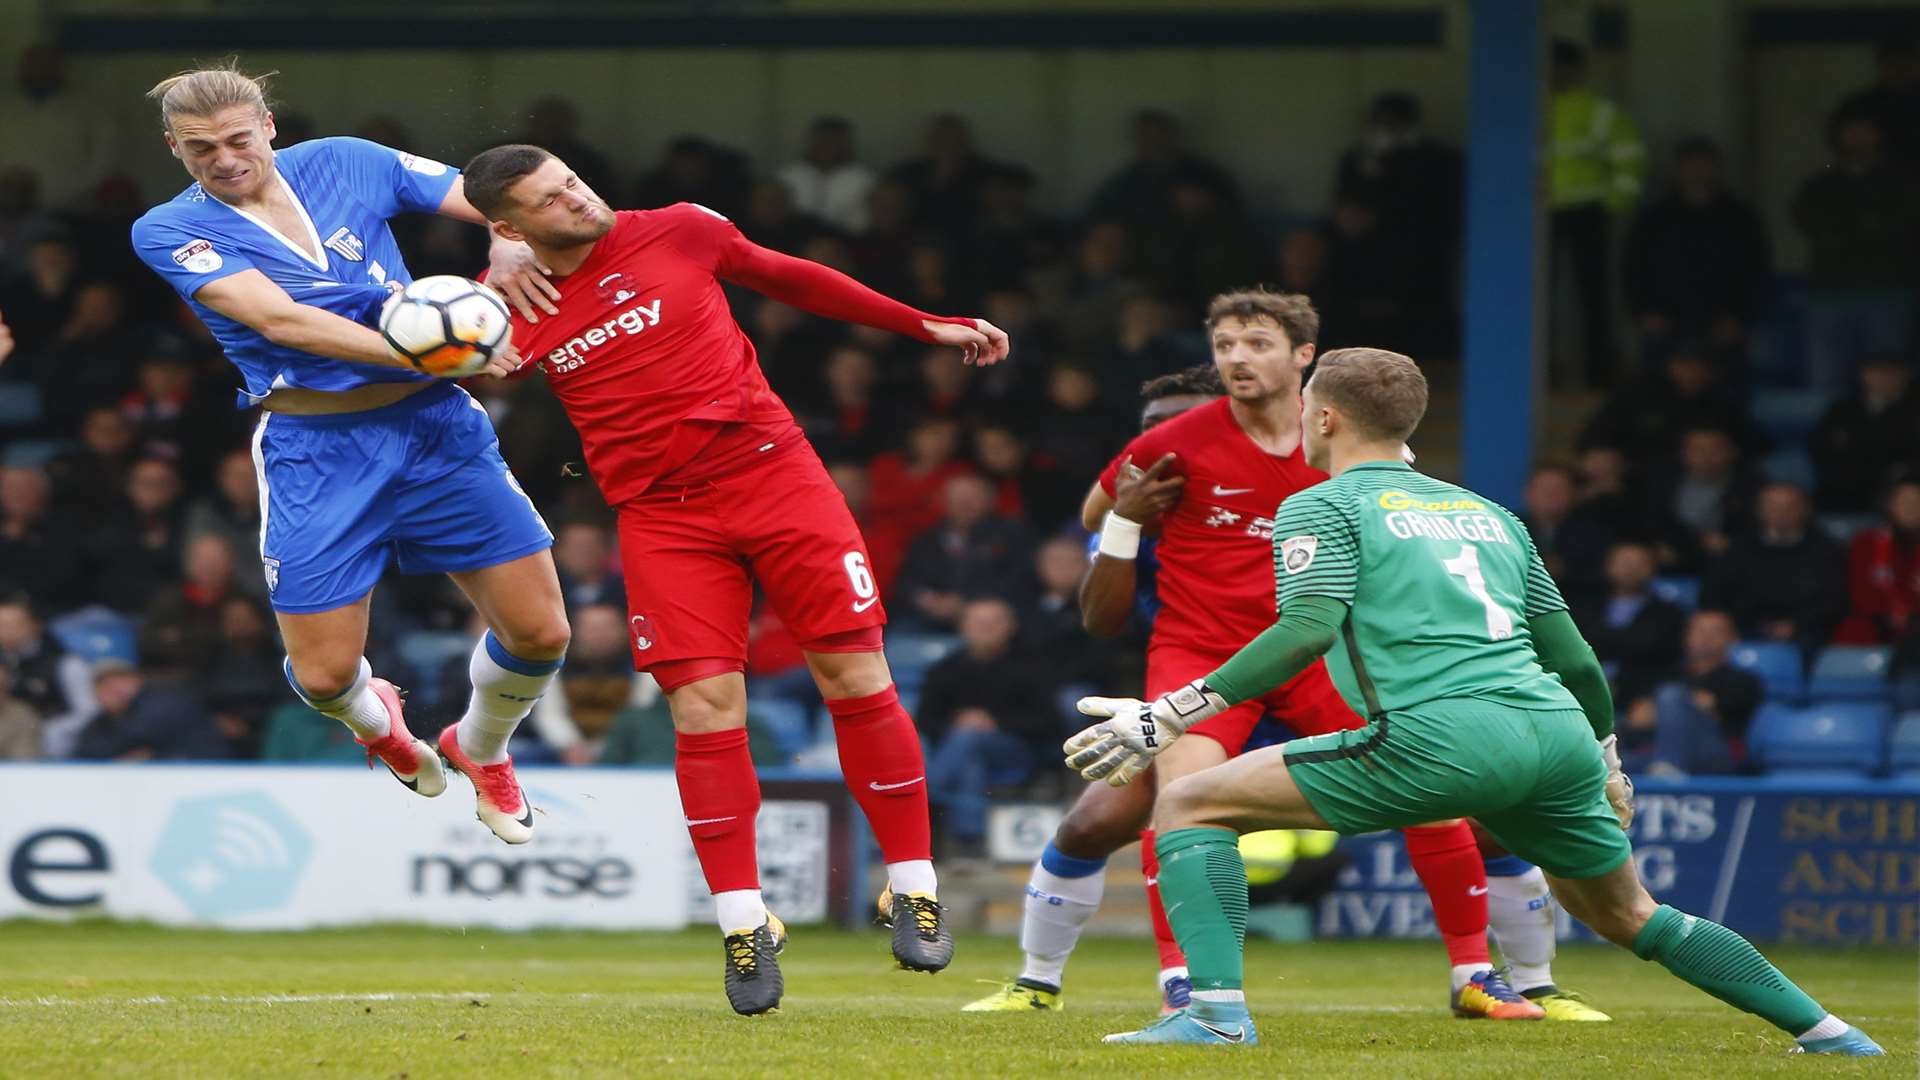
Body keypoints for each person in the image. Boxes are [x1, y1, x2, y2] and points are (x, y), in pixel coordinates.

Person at [1066, 347, 1882, 1055]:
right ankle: (1830, 1033)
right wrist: (1604, 758)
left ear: (1321, 419)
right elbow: (1575, 659)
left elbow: (1307, 629)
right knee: (1633, 912)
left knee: (1191, 802)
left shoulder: (1319, 504)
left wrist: (1172, 711)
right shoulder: (1490, 514)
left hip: (1441, 736)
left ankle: (1212, 1017)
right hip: (1555, 735)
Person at [458, 142, 1009, 1015]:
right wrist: (470, 347)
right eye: (551, 201)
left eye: (573, 181)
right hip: (662, 518)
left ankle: (913, 886)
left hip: (776, 475)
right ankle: (745, 924)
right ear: (509, 228)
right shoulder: (504, 309)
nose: (578, 199)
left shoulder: (679, 230)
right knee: (706, 712)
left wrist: (921, 323)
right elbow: (450, 376)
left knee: (855, 675)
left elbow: (794, 278)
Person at [967, 292, 1564, 1022]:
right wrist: (1130, 517)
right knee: (1172, 803)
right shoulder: (1176, 442)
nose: (1238, 359)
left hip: (1320, 655)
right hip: (1203, 651)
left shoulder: (1349, 446)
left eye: (1256, 343)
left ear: (1303, 356)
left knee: (1437, 796)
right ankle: (1180, 982)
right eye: (1225, 345)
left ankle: (1479, 974)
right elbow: (1097, 515)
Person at [127, 63, 570, 843]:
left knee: (543, 636)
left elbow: (492, 194)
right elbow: (281, 322)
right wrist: (438, 352)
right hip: (316, 449)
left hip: (438, 430)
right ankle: (380, 726)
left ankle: (481, 747)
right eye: (200, 150)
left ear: (268, 125)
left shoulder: (346, 160)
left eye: (237, 139)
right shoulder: (168, 229)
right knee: (328, 678)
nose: (224, 159)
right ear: (173, 148)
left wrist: (507, 241)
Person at [1791, 108, 1919, 390]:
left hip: (1888, 292)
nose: (1858, 138)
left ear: (1879, 134)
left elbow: (1903, 229)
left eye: (1865, 130)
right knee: (1827, 381)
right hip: (1830, 292)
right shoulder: (1820, 183)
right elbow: (1807, 222)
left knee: (1889, 380)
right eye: (1851, 130)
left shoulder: (1903, 182)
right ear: (1838, 136)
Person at [919, 597, 1055, 854]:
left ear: (1010, 627)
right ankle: (969, 844)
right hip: (962, 755)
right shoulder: (943, 669)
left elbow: (1048, 723)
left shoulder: (1033, 668)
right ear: (963, 626)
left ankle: (926, 793)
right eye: (978, 623)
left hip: (1017, 753)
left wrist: (993, 724)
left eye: (993, 623)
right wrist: (959, 723)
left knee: (968, 739)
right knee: (970, 761)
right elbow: (926, 721)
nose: (985, 629)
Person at [1546, 39, 1646, 387]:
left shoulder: (1598, 111)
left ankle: (1599, 371)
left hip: (1588, 212)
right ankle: (1544, 373)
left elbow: (1629, 156)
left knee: (1594, 294)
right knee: (1539, 299)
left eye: (1563, 67)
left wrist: (1614, 204)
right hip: (1539, 217)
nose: (1556, 74)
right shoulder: (1530, 108)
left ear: (1578, 70)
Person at [1621, 137, 1771, 366]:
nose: (1697, 173)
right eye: (1690, 165)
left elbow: (1756, 269)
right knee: (1660, 392)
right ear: (1678, 169)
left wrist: (1740, 317)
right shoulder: (1654, 218)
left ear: (1716, 168)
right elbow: (1633, 267)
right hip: (1664, 323)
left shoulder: (1740, 218)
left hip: (1722, 325)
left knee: (1724, 393)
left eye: (1704, 165)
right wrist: (1643, 312)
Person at [1702, 483, 1847, 654]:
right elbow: (1714, 595)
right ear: (1759, 511)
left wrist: (1797, 624)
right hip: (1744, 628)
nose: (1780, 512)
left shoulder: (1826, 551)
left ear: (1805, 510)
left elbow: (1834, 600)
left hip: (1806, 631)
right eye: (1773, 506)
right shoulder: (1738, 550)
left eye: (1788, 506)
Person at [1628, 610, 1763, 776]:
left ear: (1733, 638)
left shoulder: (1743, 680)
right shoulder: (1669, 675)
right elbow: (1638, 718)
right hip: (1658, 752)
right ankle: (1667, 767)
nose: (1706, 638)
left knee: (1671, 696)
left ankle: (1668, 768)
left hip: (1716, 754)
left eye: (1716, 632)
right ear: (1686, 636)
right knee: (1616, 765)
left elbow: (1715, 715)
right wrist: (1687, 706)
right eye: (1700, 631)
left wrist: (1671, 708)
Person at [1809, 354, 1920, 512]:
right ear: (1863, 375)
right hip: (1845, 487)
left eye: (1888, 372)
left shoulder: (1915, 409)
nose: (1882, 378)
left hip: (1897, 484)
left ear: (1904, 375)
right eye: (1875, 372)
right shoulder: (1842, 408)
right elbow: (1820, 446)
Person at [776, 116, 875, 234]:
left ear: (846, 143)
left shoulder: (864, 179)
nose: (828, 146)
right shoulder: (789, 176)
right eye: (823, 140)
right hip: (794, 239)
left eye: (834, 141)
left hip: (850, 240)